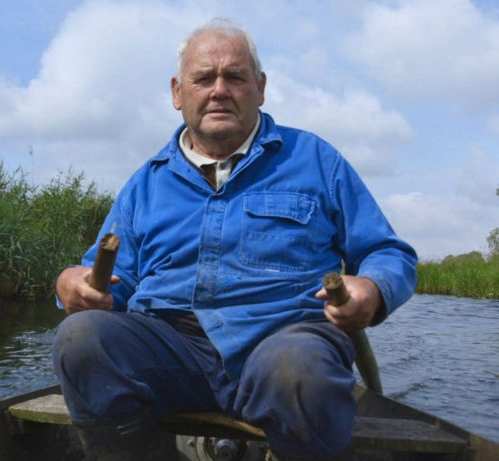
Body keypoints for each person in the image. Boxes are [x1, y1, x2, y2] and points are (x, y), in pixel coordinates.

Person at [53, 18, 417, 461]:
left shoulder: (318, 161)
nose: (219, 89)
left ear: (260, 88)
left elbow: (387, 252)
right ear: (177, 93)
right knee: (81, 337)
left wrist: (373, 289)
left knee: (298, 370)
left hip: (282, 343)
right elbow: (105, 280)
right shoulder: (143, 185)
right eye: (204, 78)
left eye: (235, 77)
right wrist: (70, 284)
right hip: (169, 356)